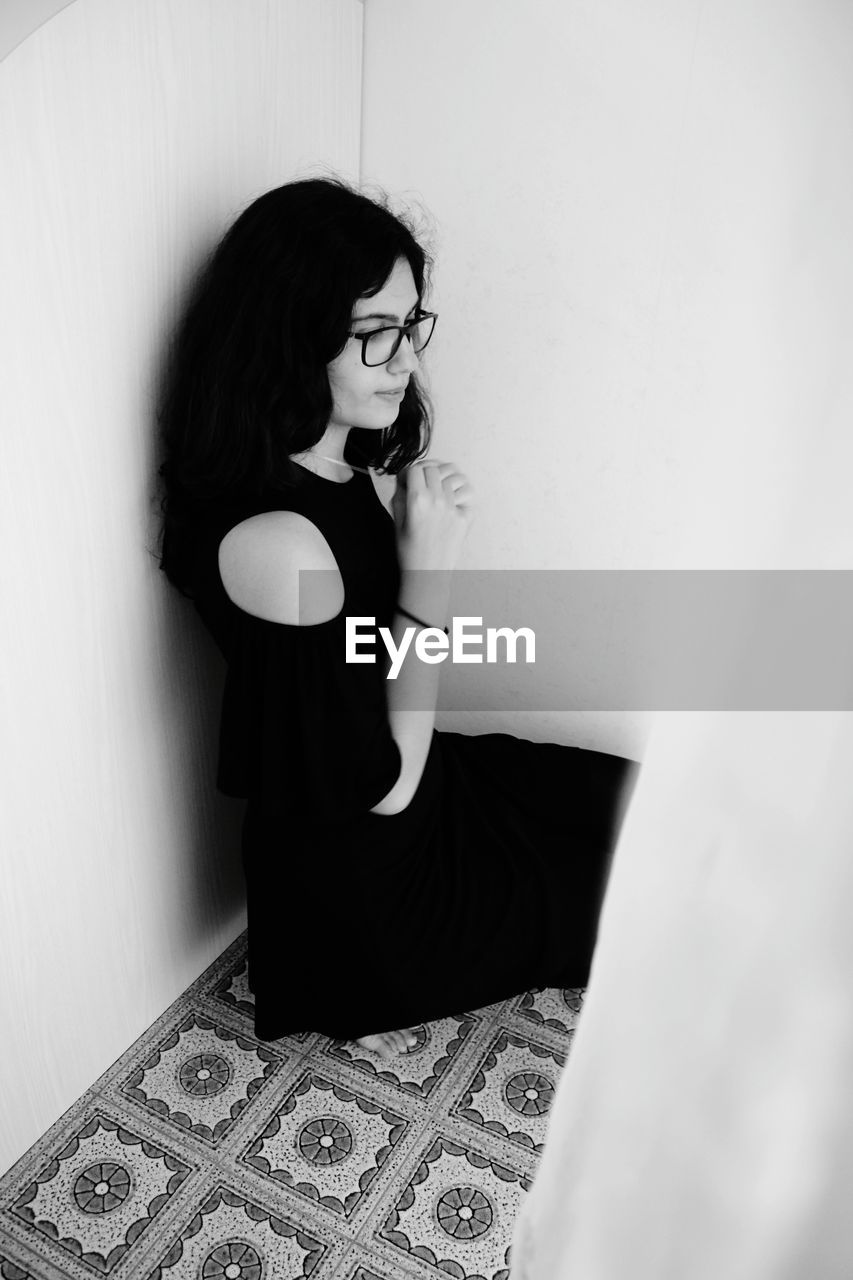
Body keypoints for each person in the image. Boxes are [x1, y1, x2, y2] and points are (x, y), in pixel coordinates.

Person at [156, 175, 638, 1059]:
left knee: (645, 805)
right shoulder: (277, 546)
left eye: (411, 326)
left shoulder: (329, 468)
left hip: (418, 787)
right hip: (373, 884)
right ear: (285, 340)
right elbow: (384, 783)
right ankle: (367, 994)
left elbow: (361, 683)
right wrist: (429, 576)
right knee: (656, 903)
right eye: (375, 336)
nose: (407, 362)